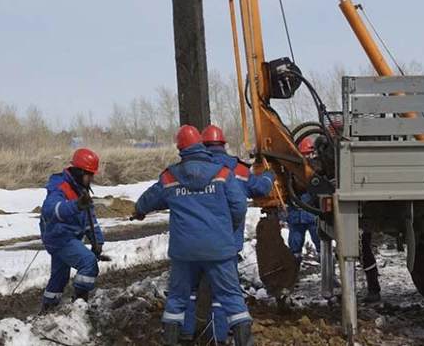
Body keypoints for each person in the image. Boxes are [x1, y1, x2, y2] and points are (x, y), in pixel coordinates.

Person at [133, 125, 253, 346]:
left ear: (181, 150)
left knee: (177, 299)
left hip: (184, 252)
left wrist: (138, 211)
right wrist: (229, 227)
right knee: (232, 299)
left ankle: (175, 340)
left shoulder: (170, 176)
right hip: (219, 249)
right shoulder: (223, 173)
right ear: (201, 145)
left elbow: (148, 200)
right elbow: (239, 208)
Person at [179, 124, 275, 345]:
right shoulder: (238, 169)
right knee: (225, 295)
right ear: (223, 144)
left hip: (193, 243)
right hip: (226, 245)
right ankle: (220, 337)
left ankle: (186, 335)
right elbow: (260, 188)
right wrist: (270, 175)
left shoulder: (194, 169)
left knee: (189, 291)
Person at [316, 121, 381, 302]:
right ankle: (366, 289)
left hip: (356, 211)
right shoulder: (346, 151)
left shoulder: (337, 153)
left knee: (358, 251)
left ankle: (363, 292)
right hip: (359, 209)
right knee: (359, 250)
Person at [39, 148, 104, 313]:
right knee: (88, 262)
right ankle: (80, 306)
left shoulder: (81, 188)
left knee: (60, 278)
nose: (92, 178)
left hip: (67, 238)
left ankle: (46, 309)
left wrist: (98, 241)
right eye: (90, 174)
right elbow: (50, 209)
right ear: (79, 171)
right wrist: (75, 206)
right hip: (60, 238)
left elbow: (90, 220)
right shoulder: (59, 187)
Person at [283, 137, 322, 269]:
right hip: (296, 214)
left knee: (321, 243)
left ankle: (329, 273)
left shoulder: (317, 166)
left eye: (309, 153)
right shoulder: (292, 169)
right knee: (295, 246)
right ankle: (292, 275)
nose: (307, 156)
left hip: (312, 213)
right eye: (304, 154)